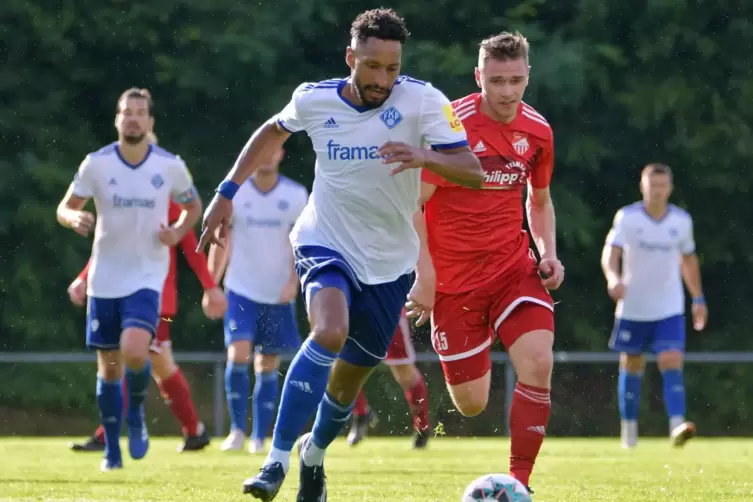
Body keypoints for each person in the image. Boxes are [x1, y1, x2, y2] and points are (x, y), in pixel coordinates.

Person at [197, 8, 482, 500]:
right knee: (329, 331)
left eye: (392, 68)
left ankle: (314, 455)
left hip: (390, 263)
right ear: (351, 57)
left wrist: (425, 156)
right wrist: (226, 192)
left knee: (348, 382)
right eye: (372, 66)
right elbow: (272, 130)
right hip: (324, 240)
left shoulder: (424, 101)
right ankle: (275, 461)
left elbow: (472, 170)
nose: (383, 79)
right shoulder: (314, 98)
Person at [414, 32, 564, 494]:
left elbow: (539, 201)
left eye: (516, 80)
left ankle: (519, 485)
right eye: (496, 80)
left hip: (511, 268)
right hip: (453, 285)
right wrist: (425, 274)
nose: (506, 91)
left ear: (527, 77)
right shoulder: (449, 127)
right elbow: (412, 206)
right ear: (479, 77)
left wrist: (548, 252)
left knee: (539, 361)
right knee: (472, 404)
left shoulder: (538, 131)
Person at [56, 88, 202, 471]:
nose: (134, 118)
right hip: (105, 276)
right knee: (108, 364)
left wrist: (178, 228)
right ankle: (111, 451)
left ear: (151, 122)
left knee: (137, 350)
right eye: (127, 112)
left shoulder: (170, 166)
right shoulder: (96, 164)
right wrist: (74, 218)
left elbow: (193, 206)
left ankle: (135, 413)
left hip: (147, 276)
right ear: (117, 120)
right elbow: (65, 206)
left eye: (141, 113)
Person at [68, 140, 227, 452]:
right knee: (160, 363)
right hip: (129, 292)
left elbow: (189, 243)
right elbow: (109, 247)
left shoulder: (165, 199)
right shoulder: (124, 199)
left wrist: (210, 286)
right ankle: (194, 430)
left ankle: (106, 433)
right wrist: (84, 278)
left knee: (136, 356)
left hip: (156, 300)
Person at [207, 147, 308, 454]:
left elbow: (301, 243)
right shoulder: (235, 193)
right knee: (238, 352)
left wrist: (295, 281)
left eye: (272, 150)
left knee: (268, 363)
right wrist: (210, 285)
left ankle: (259, 436)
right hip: (240, 289)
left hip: (277, 292)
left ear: (281, 154)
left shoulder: (295, 194)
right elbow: (222, 239)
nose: (266, 156)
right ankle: (237, 430)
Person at [601, 162, 707, 449]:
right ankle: (629, 434)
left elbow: (688, 260)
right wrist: (613, 279)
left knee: (671, 359)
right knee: (632, 364)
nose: (657, 191)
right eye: (652, 185)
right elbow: (611, 253)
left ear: (670, 188)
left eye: (662, 185)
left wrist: (698, 298)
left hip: (669, 306)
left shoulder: (681, 221)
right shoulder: (628, 217)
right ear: (642, 186)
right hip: (633, 306)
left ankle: (676, 427)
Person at [346, 309, 431, 449]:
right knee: (344, 369)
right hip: (356, 314)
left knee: (406, 375)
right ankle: (361, 414)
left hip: (388, 311)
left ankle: (422, 426)